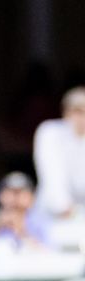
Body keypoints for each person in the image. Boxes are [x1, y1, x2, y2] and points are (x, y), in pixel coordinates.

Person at [33, 86, 85, 218]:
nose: (83, 117)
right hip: (51, 213)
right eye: (78, 111)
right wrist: (63, 205)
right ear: (67, 112)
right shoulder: (50, 132)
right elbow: (52, 172)